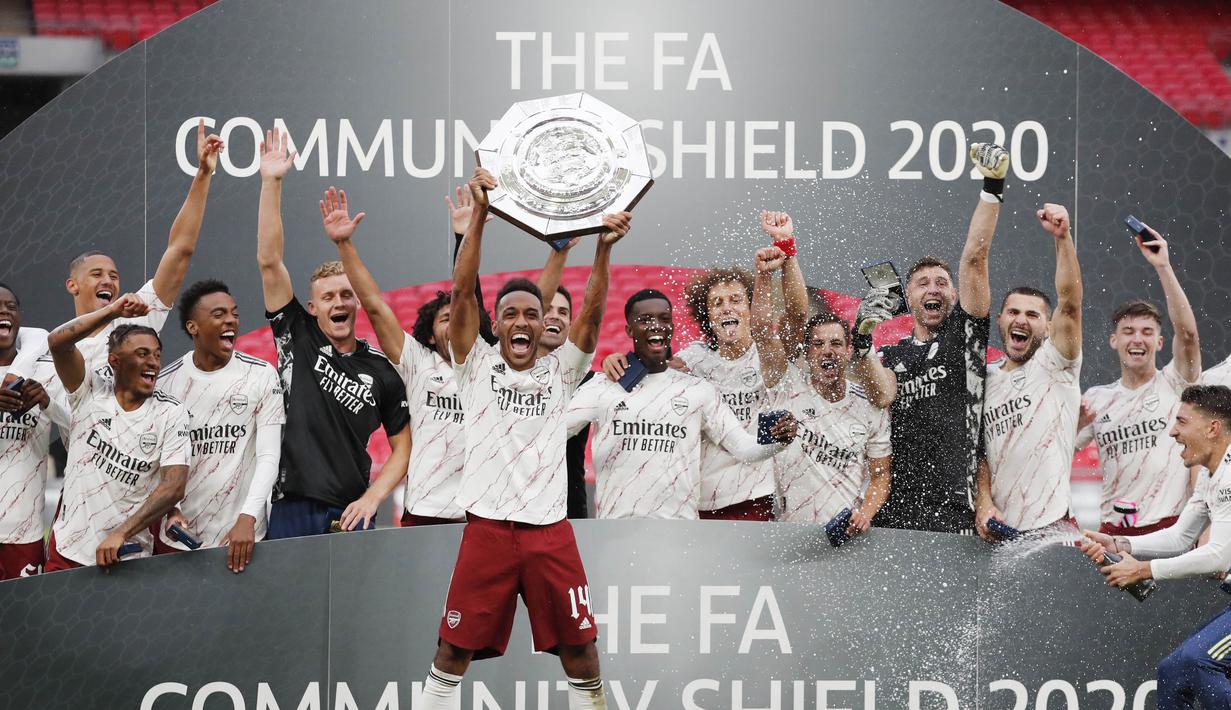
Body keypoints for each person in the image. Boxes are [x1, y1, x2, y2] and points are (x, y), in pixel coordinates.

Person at [416, 166, 629, 710]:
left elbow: (594, 312)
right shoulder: (475, 362)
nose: (521, 321)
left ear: (541, 325)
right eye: (509, 313)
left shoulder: (561, 371)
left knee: (582, 650)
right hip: (486, 531)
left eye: (531, 314)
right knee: (451, 651)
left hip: (549, 533)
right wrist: (481, 215)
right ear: (496, 322)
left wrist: (602, 250)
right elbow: (464, 288)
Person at [255, 129, 410, 539]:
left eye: (346, 295)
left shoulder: (382, 369)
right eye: (327, 297)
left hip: (351, 511)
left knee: (354, 606)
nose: (338, 303)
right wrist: (272, 182)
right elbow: (270, 262)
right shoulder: (297, 334)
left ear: (357, 303)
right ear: (312, 308)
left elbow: (403, 449)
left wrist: (373, 498)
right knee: (291, 603)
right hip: (291, 502)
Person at [605, 211, 808, 520]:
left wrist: (784, 252)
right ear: (708, 318)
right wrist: (617, 360)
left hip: (752, 499)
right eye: (717, 303)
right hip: (696, 502)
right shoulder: (694, 358)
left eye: (736, 299)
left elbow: (795, 316)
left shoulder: (766, 354)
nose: (727, 307)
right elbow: (650, 367)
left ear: (750, 308)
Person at [849, 143, 1010, 535]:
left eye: (942, 282)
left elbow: (975, 257)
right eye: (922, 283)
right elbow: (883, 394)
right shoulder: (892, 353)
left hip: (955, 507)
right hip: (894, 509)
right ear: (910, 298)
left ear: (954, 295)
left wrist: (992, 186)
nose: (933, 288)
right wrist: (863, 343)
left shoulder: (966, 336)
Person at [17, 121, 223, 389]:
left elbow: (180, 250)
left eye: (114, 276)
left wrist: (204, 173)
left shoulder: (135, 323)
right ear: (72, 285)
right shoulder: (52, 352)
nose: (108, 281)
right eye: (96, 274)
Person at [566, 290, 796, 519]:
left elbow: (744, 448)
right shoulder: (603, 386)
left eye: (664, 319)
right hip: (615, 533)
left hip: (680, 533)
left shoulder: (699, 390)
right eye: (645, 320)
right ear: (629, 330)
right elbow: (550, 435)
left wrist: (779, 441)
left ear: (672, 327)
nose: (656, 325)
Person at [1079, 385, 1231, 709]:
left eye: (1182, 421)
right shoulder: (1210, 474)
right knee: (1173, 671)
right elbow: (1180, 536)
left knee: (1197, 662)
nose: (1173, 431)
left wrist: (1142, 569)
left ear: (1213, 428)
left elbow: (1220, 554)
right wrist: (1122, 542)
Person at [44, 296, 190, 570]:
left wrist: (120, 533)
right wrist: (112, 311)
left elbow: (174, 486)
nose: (154, 362)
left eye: (157, 354)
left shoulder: (171, 412)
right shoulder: (89, 390)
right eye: (142, 354)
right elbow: (57, 342)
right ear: (114, 361)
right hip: (68, 551)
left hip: (128, 557)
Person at [1075, 222, 1201, 537]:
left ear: (1159, 343)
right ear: (1113, 341)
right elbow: (1056, 454)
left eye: (1147, 332)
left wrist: (1163, 267)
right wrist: (1074, 427)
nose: (1137, 340)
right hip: (1113, 532)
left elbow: (1187, 334)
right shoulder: (1097, 398)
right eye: (1128, 332)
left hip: (1169, 529)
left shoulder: (1175, 383)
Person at [752, 247, 891, 531]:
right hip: (788, 533)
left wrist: (865, 513)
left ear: (850, 350)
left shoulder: (869, 403)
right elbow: (765, 333)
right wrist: (765, 276)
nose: (827, 351)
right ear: (807, 352)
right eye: (818, 344)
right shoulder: (787, 384)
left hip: (844, 538)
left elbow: (880, 476)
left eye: (836, 344)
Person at [153, 280, 284, 572]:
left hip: (241, 537)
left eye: (234, 313)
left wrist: (248, 516)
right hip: (179, 542)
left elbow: (268, 456)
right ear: (193, 327)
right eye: (218, 314)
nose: (231, 321)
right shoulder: (166, 383)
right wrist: (170, 511)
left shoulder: (261, 375)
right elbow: (157, 464)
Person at [975, 203, 1083, 539]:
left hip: (1052, 529)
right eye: (1013, 312)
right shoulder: (983, 379)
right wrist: (983, 502)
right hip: (998, 533)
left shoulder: (1055, 363)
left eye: (1033, 315)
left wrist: (1063, 238)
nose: (1021, 320)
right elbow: (979, 455)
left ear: (1049, 328)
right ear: (1000, 320)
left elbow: (1070, 301)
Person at [0, 284, 69, 579]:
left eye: (11, 307)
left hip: (22, 529)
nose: (4, 312)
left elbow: (76, 425)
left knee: (22, 622)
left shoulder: (44, 369)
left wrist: (48, 402)